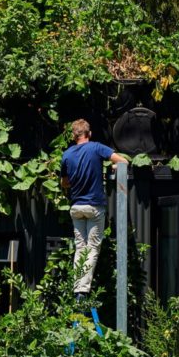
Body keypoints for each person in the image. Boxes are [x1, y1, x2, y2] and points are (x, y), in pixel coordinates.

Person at [59, 119, 128, 297]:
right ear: (89, 134)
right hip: (94, 206)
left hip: (76, 207)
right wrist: (111, 168)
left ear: (74, 136)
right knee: (92, 248)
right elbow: (123, 162)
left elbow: (64, 183)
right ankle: (82, 290)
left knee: (80, 247)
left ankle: (77, 287)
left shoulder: (66, 155)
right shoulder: (96, 147)